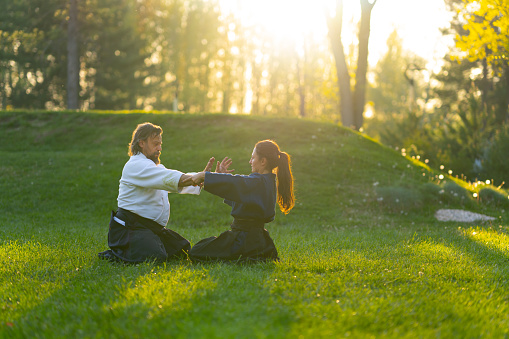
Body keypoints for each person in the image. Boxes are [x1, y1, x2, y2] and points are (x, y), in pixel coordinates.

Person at [98, 122, 215, 263]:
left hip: (151, 229)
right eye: (155, 144)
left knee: (182, 249)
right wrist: (199, 177)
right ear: (141, 143)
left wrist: (208, 177)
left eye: (160, 144)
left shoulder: (155, 167)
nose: (159, 148)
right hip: (130, 228)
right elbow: (170, 178)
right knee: (155, 257)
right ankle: (116, 253)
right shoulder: (136, 165)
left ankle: (144, 245)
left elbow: (174, 179)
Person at [185, 139, 295, 262]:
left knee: (197, 251)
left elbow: (236, 182)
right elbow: (242, 195)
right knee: (204, 245)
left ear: (263, 161)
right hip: (259, 240)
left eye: (253, 158)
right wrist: (220, 177)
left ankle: (243, 256)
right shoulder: (267, 182)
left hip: (243, 240)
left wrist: (204, 176)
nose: (250, 161)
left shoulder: (258, 181)